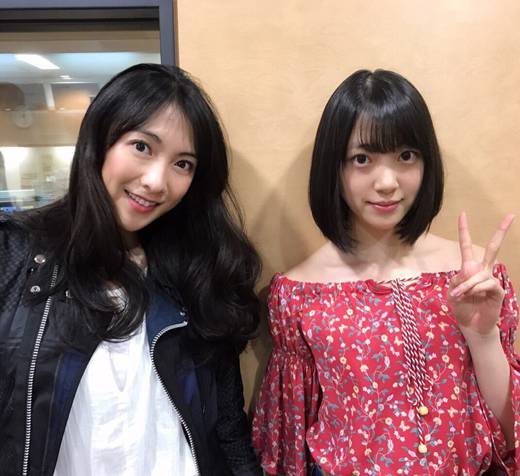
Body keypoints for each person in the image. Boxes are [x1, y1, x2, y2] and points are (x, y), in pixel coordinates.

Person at [252, 69, 519, 475]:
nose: (387, 182)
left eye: (406, 156)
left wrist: (483, 339)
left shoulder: (475, 277)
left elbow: (510, 432)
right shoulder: (299, 294)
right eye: (362, 159)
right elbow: (288, 446)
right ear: (333, 167)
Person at [0, 63, 262, 476]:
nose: (157, 181)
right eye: (142, 146)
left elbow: (227, 430)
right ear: (100, 140)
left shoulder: (196, 273)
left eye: (183, 164)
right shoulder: (15, 253)